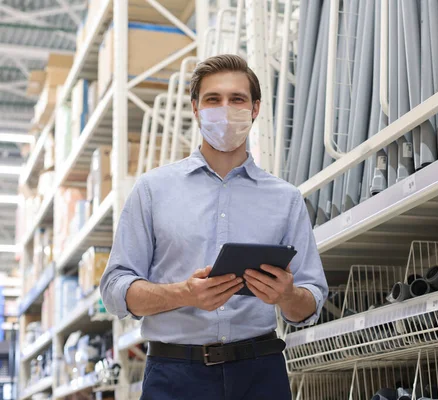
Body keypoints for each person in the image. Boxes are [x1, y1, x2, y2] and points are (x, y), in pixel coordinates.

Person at [100, 54, 328, 400]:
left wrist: (286, 296)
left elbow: (310, 302)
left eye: (236, 99)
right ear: (196, 108)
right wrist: (184, 294)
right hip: (174, 376)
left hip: (260, 373)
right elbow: (115, 290)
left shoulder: (286, 199)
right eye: (213, 99)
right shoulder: (152, 190)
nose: (225, 109)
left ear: (255, 109)